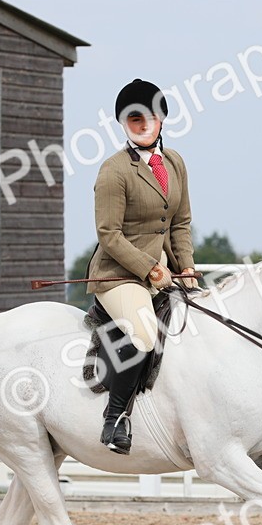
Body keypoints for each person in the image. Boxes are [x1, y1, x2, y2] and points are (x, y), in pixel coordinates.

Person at [87, 79, 197, 454]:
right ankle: (115, 418)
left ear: (162, 120)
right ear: (123, 123)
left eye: (151, 116)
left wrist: (188, 270)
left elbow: (180, 223)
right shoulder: (113, 171)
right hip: (118, 275)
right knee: (146, 335)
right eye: (135, 118)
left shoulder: (175, 164)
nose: (144, 123)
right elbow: (109, 234)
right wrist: (150, 268)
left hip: (164, 274)